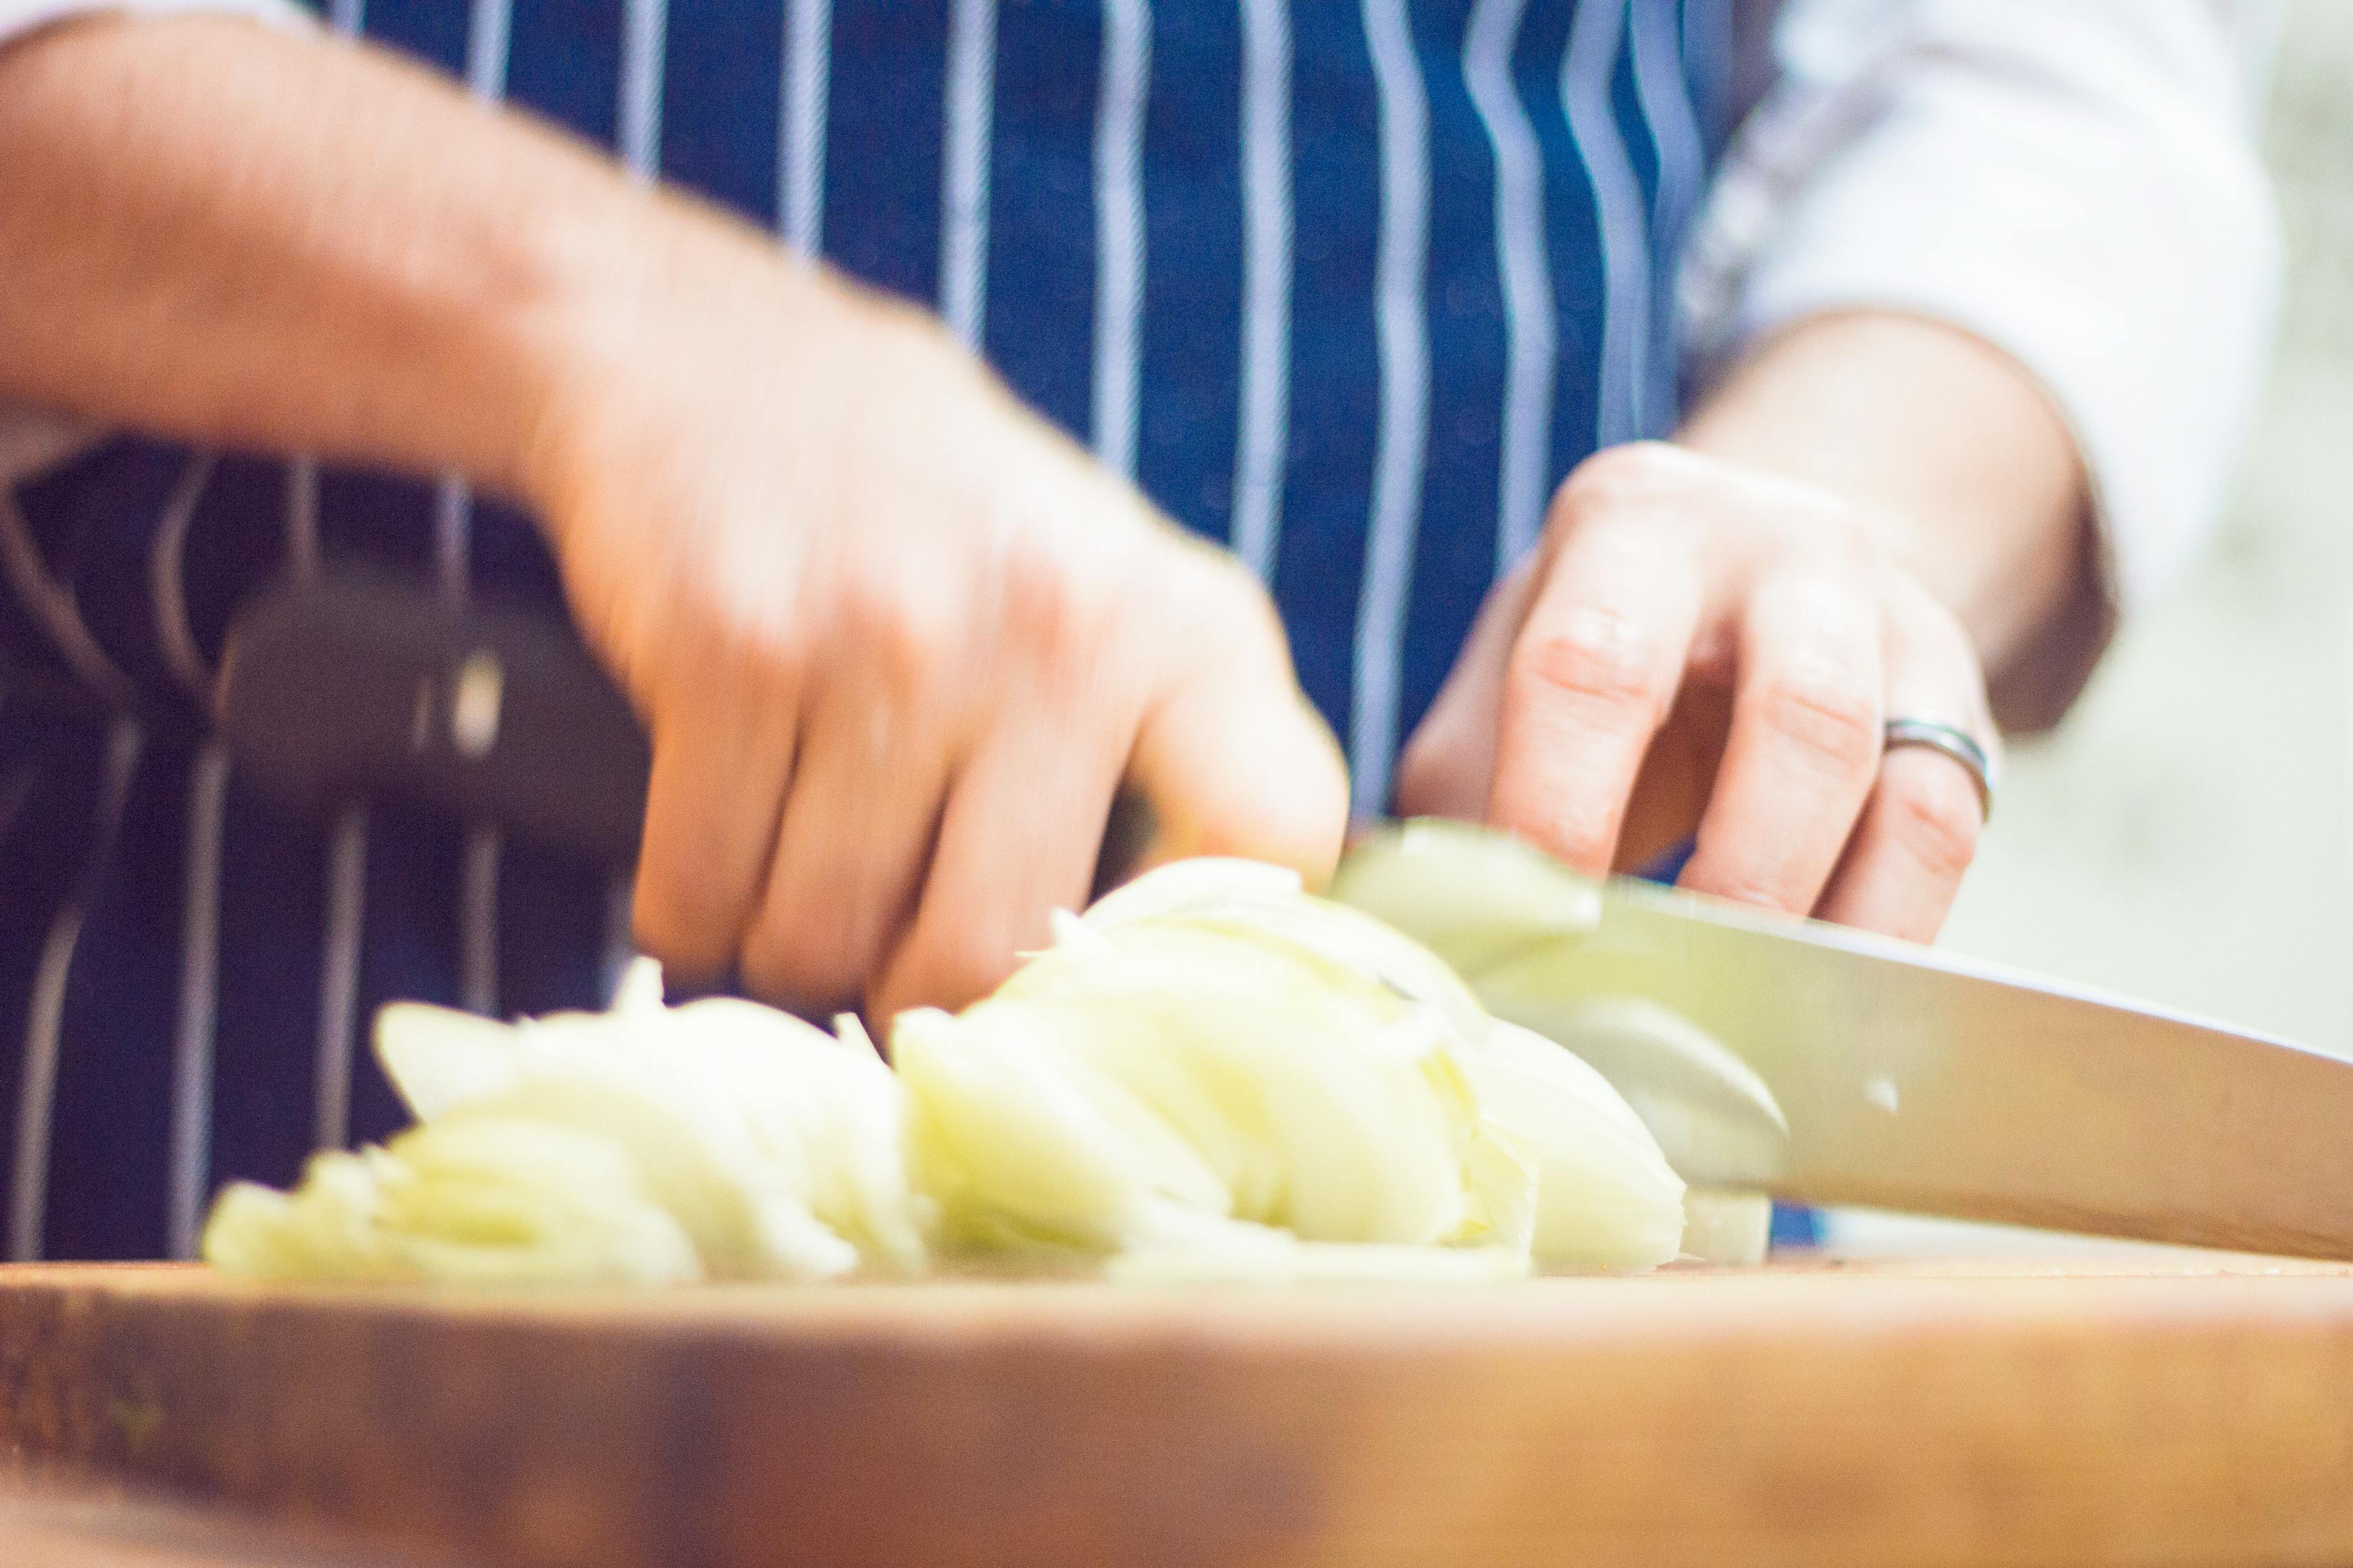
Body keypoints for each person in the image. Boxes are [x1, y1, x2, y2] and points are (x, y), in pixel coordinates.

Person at [0, 0, 2279, 1262]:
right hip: (217, 1094)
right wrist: (598, 327)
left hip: (1535, 1406)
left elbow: (2040, 91)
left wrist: (1852, 511)